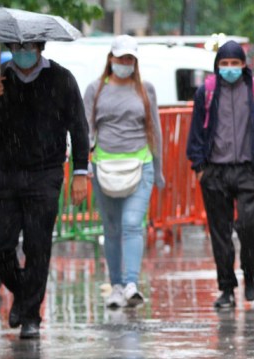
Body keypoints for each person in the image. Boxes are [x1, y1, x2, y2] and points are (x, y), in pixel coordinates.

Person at [0, 41, 90, 338]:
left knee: (37, 244)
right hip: (7, 172)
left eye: (29, 46)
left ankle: (31, 316)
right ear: (9, 45)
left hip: (45, 173)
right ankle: (24, 294)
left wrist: (80, 172)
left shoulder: (61, 79)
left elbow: (79, 126)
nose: (23, 51)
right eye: (17, 46)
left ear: (40, 47)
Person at [186, 41, 254, 308]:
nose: (229, 68)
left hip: (249, 169)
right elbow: (196, 131)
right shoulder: (207, 91)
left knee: (248, 226)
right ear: (217, 66)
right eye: (224, 64)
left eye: (234, 63)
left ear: (243, 65)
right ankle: (226, 289)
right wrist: (199, 166)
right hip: (215, 171)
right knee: (220, 232)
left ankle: (250, 275)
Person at [82, 35, 165, 308]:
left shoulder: (146, 90)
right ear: (110, 58)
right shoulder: (95, 89)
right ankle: (116, 285)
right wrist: (83, 167)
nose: (125, 63)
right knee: (112, 228)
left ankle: (131, 283)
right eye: (120, 58)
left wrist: (160, 169)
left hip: (140, 165)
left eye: (130, 59)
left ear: (135, 61)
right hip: (104, 167)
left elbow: (155, 130)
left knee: (131, 224)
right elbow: (87, 129)